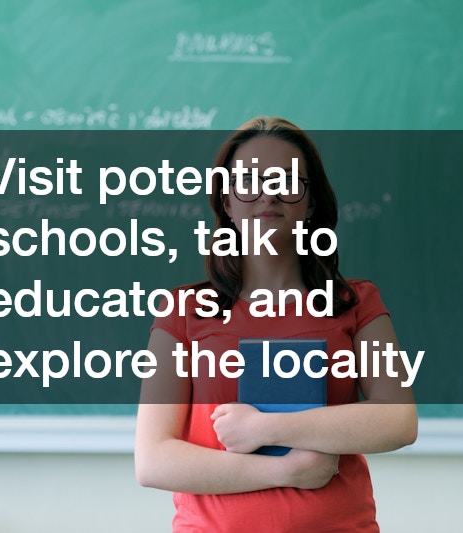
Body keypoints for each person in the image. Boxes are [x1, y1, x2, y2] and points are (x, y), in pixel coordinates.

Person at [135, 117, 417, 532]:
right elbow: (154, 460)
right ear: (227, 202)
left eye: (287, 181)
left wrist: (265, 428)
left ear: (311, 202)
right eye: (248, 181)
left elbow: (398, 419)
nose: (268, 193)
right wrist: (284, 471)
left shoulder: (355, 303)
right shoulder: (183, 311)